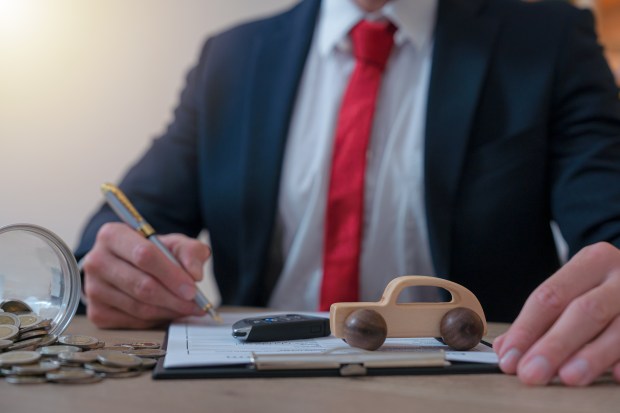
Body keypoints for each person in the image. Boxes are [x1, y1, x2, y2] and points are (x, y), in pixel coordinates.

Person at [75, 0, 620, 387]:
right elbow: (117, 230)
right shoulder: (232, 57)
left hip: (478, 389)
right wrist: (122, 273)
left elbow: (610, 227)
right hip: (253, 389)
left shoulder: (548, 40)